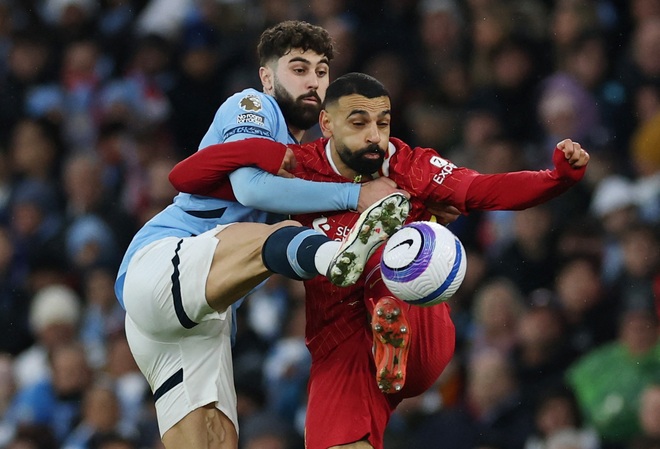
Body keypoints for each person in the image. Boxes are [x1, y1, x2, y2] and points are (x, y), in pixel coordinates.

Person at [170, 72, 591, 449]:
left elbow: (486, 189)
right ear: (327, 124)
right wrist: (256, 154)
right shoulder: (298, 166)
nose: (375, 135)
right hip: (340, 341)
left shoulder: (409, 165)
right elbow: (185, 178)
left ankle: (385, 300)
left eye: (383, 123)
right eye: (359, 123)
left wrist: (556, 178)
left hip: (417, 325)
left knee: (407, 243)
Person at [114, 22, 412, 449]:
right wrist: (354, 194)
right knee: (282, 231)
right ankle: (334, 258)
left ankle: (341, 263)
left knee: (217, 443)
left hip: (202, 317)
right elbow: (250, 188)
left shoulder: (310, 157)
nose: (314, 80)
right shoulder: (253, 105)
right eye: (299, 68)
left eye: (322, 70)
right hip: (162, 260)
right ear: (267, 77)